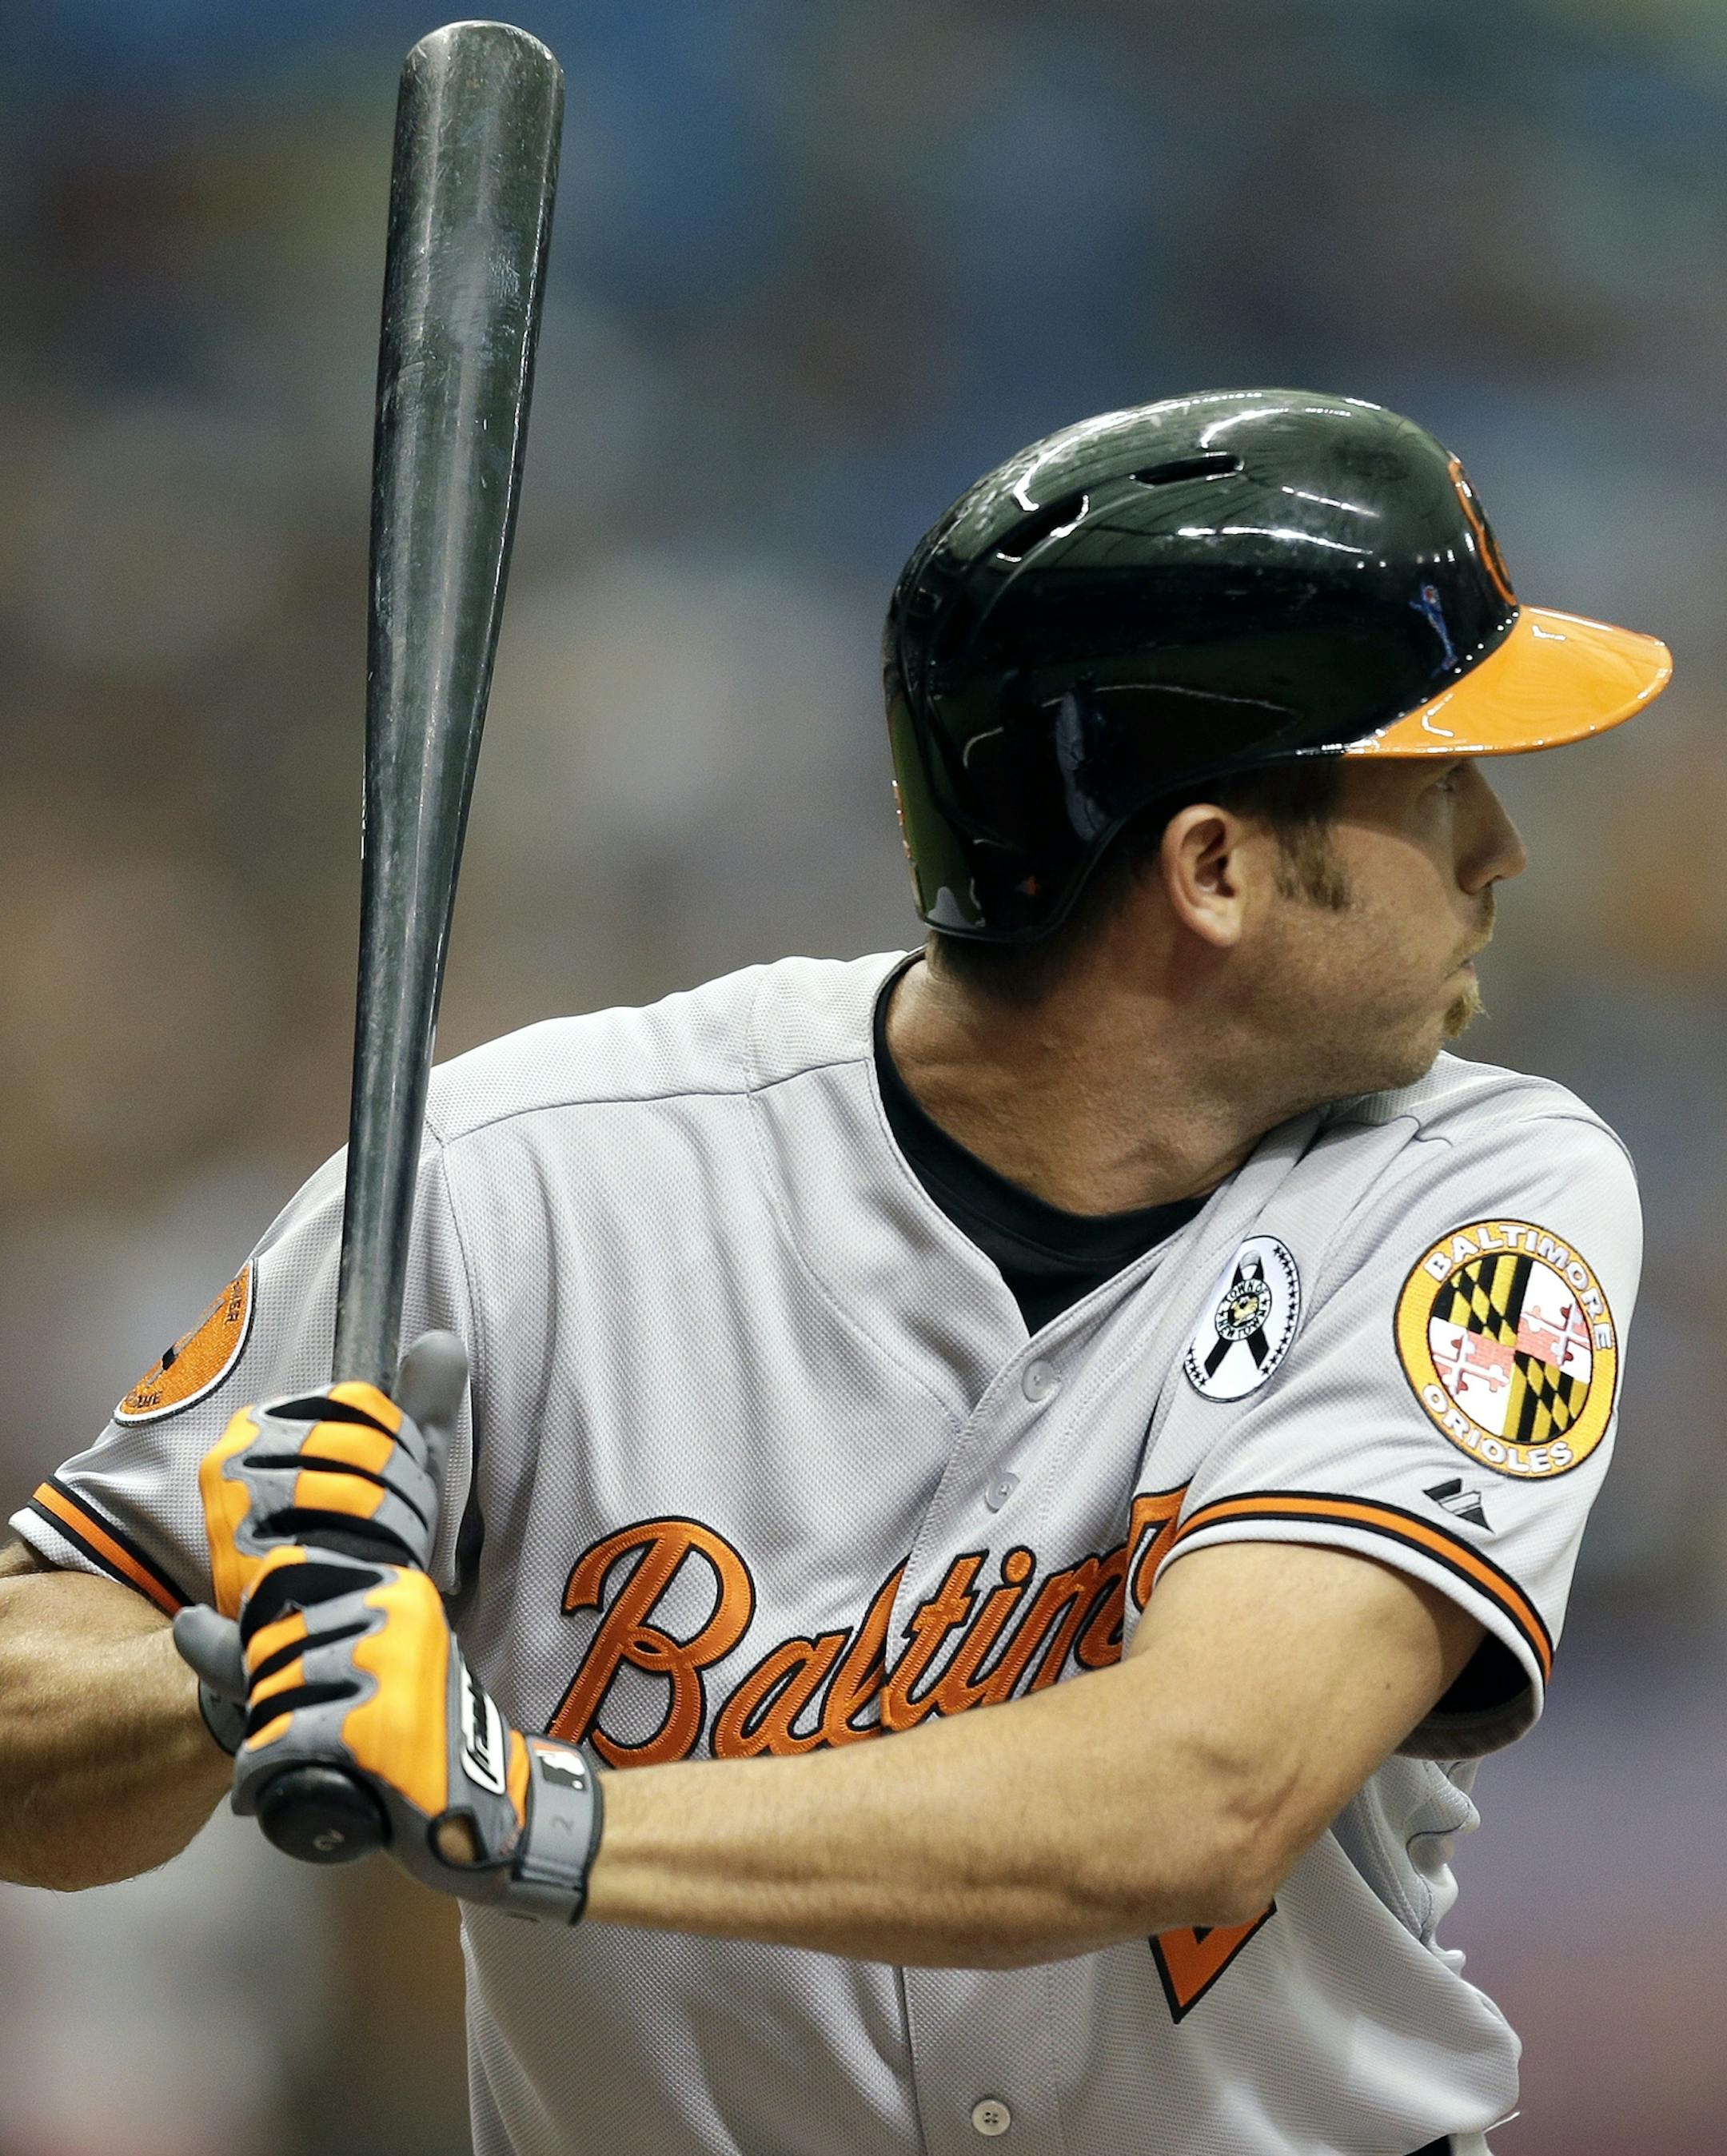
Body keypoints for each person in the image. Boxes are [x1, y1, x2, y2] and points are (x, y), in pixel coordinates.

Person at [0, 389, 1671, 2156]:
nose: (1501, 847)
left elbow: (1209, 1785)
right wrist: (251, 1651)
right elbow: (31, 1727)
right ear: (1217, 868)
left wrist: (534, 1810)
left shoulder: (1485, 1193)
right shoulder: (512, 1186)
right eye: (1438, 780)